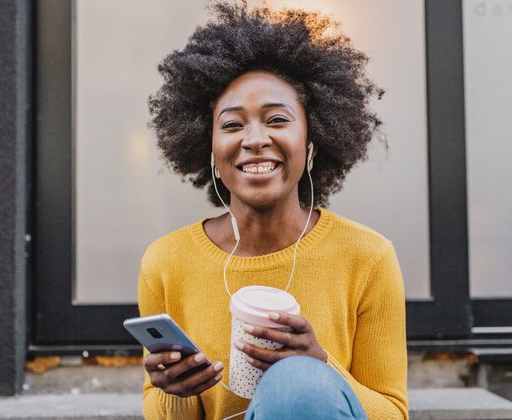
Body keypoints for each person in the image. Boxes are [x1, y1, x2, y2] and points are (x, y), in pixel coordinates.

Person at [139, 1, 408, 419]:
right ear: (209, 149)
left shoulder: (368, 257)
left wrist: (318, 367)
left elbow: (393, 413)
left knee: (296, 386)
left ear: (313, 141)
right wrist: (175, 390)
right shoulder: (167, 262)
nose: (254, 139)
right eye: (232, 125)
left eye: (277, 120)